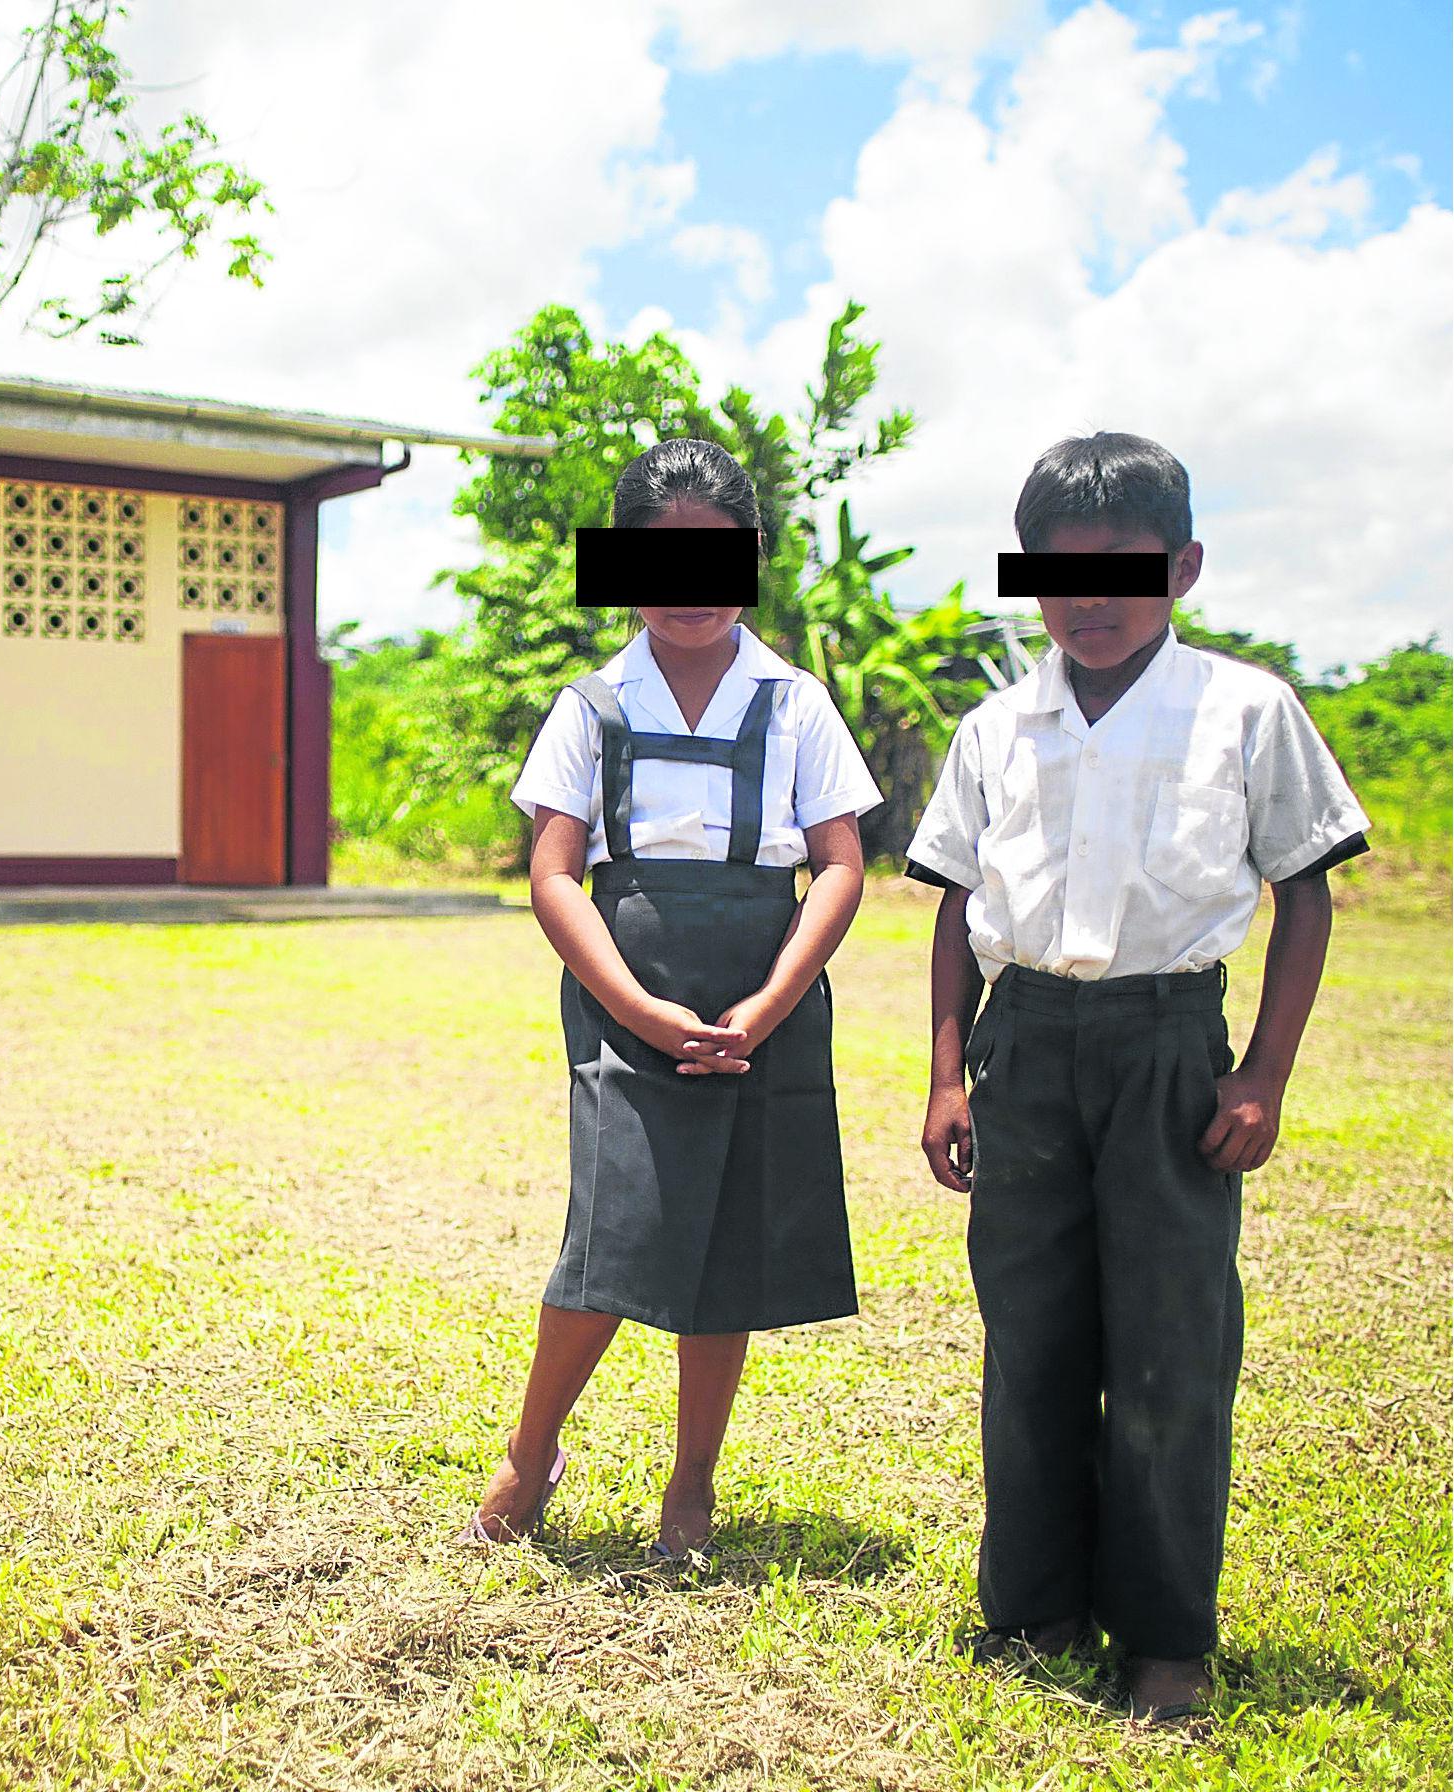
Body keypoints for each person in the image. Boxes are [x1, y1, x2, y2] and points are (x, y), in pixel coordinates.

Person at [907, 430, 1370, 1723]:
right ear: (1026, 579)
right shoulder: (998, 726)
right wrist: (947, 1076)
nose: (1090, 603)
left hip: (1169, 1047)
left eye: (1122, 573)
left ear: (1183, 567)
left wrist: (1260, 1074)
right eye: (1058, 577)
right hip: (1024, 1048)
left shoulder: (1242, 709)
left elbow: (1302, 892)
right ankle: (1032, 1607)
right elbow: (949, 906)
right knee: (1030, 1342)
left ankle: (1165, 1637)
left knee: (1170, 1349)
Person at [466, 437, 882, 1565]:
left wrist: (769, 1002)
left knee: (723, 1246)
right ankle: (530, 1448)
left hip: (766, 1007)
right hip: (621, 1008)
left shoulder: (794, 703)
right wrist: (639, 1009)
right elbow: (553, 873)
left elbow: (840, 864)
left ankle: (691, 1479)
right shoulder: (591, 707)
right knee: (611, 1235)